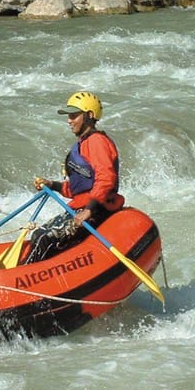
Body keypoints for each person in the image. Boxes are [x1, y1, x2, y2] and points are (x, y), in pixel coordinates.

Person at [26, 91, 124, 262]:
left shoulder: (97, 142)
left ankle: (23, 278)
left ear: (89, 115)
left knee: (43, 238)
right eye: (69, 116)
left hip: (96, 210)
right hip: (83, 207)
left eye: (74, 115)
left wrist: (88, 210)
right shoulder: (82, 144)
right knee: (38, 235)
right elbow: (79, 188)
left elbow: (106, 178)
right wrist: (52, 185)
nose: (69, 120)